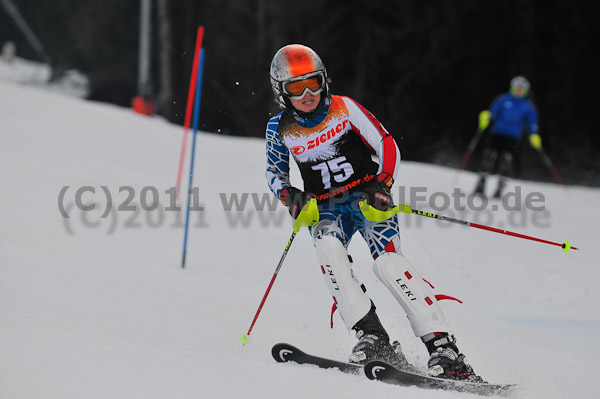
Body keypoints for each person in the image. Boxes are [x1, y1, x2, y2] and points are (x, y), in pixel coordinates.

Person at [265, 44, 482, 381]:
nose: (308, 93)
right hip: (326, 208)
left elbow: (386, 143)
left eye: (314, 82)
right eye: (296, 87)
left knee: (388, 264)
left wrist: (382, 183)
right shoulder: (279, 127)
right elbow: (274, 173)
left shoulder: (344, 108)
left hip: (368, 199)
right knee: (329, 250)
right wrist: (289, 195)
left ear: (325, 80)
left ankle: (443, 347)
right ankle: (373, 337)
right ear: (282, 91)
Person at [474, 76, 542, 197]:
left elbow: (532, 123)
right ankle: (480, 185)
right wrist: (486, 117)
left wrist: (534, 135)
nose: (518, 91)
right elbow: (492, 113)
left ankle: (499, 188)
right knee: (489, 155)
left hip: (513, 137)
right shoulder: (503, 99)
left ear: (525, 91)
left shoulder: (528, 106)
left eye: (521, 89)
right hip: (497, 133)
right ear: (512, 88)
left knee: (506, 159)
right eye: (517, 88)